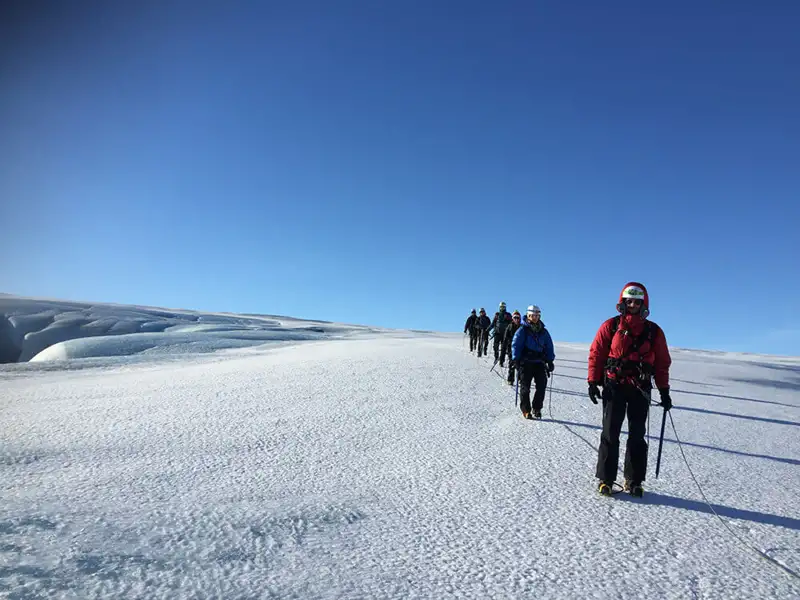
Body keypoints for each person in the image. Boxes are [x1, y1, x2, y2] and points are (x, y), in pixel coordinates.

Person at [588, 282, 672, 497]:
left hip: (640, 388)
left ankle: (633, 480)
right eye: (629, 301)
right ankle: (606, 479)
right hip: (614, 385)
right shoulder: (611, 326)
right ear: (623, 302)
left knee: (637, 434)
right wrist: (592, 381)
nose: (633, 304)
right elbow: (597, 353)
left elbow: (662, 363)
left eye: (637, 301)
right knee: (610, 433)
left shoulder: (654, 331)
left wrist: (664, 390)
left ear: (643, 304)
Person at [511, 305, 555, 419]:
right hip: (525, 362)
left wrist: (550, 360)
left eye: (537, 315)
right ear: (528, 316)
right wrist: (515, 359)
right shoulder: (522, 330)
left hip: (539, 361)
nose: (535, 318)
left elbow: (549, 346)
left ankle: (537, 408)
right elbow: (516, 344)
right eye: (533, 315)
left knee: (542, 385)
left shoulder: (543, 331)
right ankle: (526, 410)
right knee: (525, 387)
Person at [502, 310, 522, 384]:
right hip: (511, 348)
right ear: (512, 319)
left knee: (520, 364)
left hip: (520, 348)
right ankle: (510, 379)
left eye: (518, 318)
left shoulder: (522, 327)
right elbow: (505, 339)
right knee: (512, 363)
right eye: (515, 317)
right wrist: (502, 355)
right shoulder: (509, 327)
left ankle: (520, 378)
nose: (516, 319)